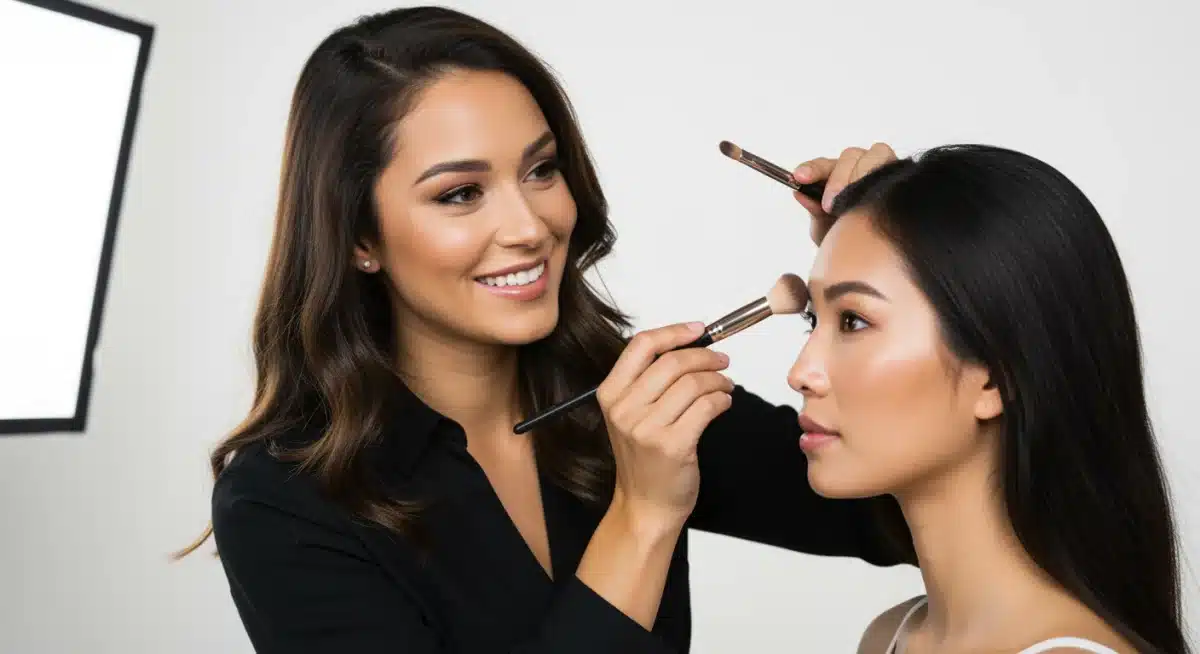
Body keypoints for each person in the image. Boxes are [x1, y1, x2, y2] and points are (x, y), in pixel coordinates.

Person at [173, 6, 914, 653]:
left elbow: (909, 513)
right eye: (461, 194)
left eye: (541, 170)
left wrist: (893, 264)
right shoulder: (285, 503)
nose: (530, 227)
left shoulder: (623, 396)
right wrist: (643, 516)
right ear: (359, 236)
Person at [785, 143, 1189, 653]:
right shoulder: (891, 637)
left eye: (854, 321)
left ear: (995, 374)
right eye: (812, 321)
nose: (800, 373)